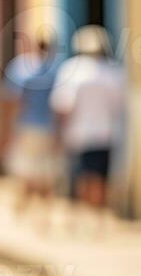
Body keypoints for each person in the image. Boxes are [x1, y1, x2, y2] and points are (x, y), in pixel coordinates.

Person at [51, 24, 127, 223]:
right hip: (106, 133)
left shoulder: (71, 71)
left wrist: (58, 134)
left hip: (79, 134)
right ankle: (98, 217)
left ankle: (88, 216)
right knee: (100, 178)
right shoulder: (115, 72)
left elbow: (63, 106)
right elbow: (119, 105)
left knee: (83, 177)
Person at [0, 25, 63, 216]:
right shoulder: (56, 70)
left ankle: (24, 209)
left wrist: (5, 131)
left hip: (26, 126)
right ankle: (43, 213)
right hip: (48, 127)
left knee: (26, 169)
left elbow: (12, 101)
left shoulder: (21, 67)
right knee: (46, 171)